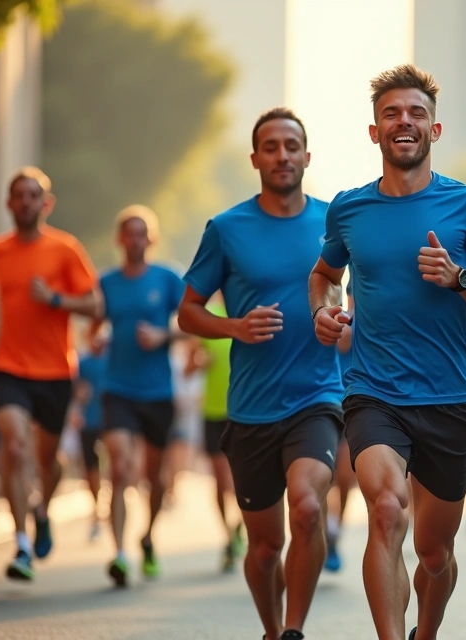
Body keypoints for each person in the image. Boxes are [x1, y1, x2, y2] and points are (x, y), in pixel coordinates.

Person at [309, 64, 466, 640]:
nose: (404, 122)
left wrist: (460, 280)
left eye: (416, 113)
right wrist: (323, 310)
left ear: (435, 128)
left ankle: (425, 630)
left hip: (449, 397)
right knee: (384, 509)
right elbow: (324, 273)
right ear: (375, 132)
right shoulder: (348, 209)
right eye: (392, 114)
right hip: (373, 390)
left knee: (433, 554)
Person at [179, 108, 344, 640]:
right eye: (270, 147)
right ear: (256, 159)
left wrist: (338, 317)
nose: (281, 155)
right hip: (250, 407)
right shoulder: (227, 229)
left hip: (318, 396)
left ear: (306, 156)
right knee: (266, 546)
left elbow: (349, 289)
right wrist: (234, 327)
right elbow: (188, 311)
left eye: (291, 146)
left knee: (308, 506)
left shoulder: (331, 223)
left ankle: (294, 628)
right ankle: (272, 630)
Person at [0, 167, 101, 581]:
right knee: (14, 444)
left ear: (46, 204)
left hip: (55, 371)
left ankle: (42, 509)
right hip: (9, 365)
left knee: (48, 460)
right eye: (18, 195)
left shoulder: (65, 249)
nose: (25, 202)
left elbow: (95, 305)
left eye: (33, 196)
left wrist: (56, 299)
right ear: (9, 203)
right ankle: (22, 543)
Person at [93, 205, 186, 586]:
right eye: (128, 233)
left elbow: (193, 320)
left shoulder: (167, 278)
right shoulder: (107, 281)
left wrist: (164, 336)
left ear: (152, 238)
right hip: (118, 388)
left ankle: (147, 534)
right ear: (119, 239)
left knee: (155, 476)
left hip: (158, 391)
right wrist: (96, 338)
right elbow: (95, 321)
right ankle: (118, 553)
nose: (134, 240)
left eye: (141, 233)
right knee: (119, 466)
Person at [185, 296, 246, 572]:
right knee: (222, 479)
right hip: (213, 412)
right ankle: (229, 534)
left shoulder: (249, 310)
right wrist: (199, 360)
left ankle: (241, 526)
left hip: (244, 409)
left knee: (246, 480)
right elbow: (188, 367)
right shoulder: (208, 316)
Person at [325, 278, 356, 573]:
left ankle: (336, 530)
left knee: (345, 478)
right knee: (322, 477)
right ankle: (324, 529)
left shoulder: (366, 323)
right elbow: (343, 337)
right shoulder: (331, 318)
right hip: (323, 404)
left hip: (354, 406)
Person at [73, 334, 108, 541]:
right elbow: (72, 392)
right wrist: (76, 405)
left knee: (114, 462)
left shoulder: (113, 360)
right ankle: (97, 507)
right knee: (90, 467)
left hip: (110, 422)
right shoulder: (82, 363)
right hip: (88, 421)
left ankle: (111, 504)